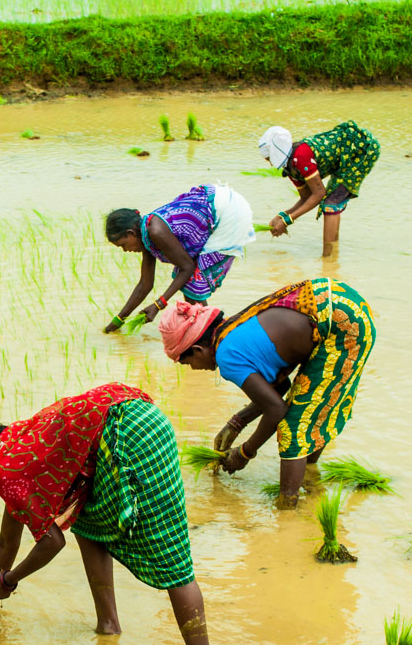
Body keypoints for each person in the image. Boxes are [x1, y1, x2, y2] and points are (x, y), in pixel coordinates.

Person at [0, 382, 217, 645]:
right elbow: (8, 539)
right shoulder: (12, 447)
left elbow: (52, 542)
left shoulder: (8, 474)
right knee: (86, 522)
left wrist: (8, 580)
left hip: (133, 433)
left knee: (173, 560)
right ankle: (108, 624)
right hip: (129, 416)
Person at [158, 278, 376, 505]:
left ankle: (287, 511)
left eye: (187, 363)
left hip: (343, 326)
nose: (194, 369)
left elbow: (276, 409)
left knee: (295, 428)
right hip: (339, 301)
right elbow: (279, 389)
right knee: (308, 411)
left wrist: (244, 453)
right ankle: (310, 478)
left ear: (197, 349)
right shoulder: (229, 332)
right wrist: (235, 423)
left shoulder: (226, 357)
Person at [103, 185, 255, 333]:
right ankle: (206, 331)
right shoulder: (146, 235)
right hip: (220, 204)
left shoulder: (155, 231)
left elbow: (187, 267)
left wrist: (158, 304)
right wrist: (118, 321)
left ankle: (211, 332)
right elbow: (145, 284)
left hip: (229, 213)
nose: (125, 250)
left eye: (123, 245)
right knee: (190, 286)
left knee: (192, 281)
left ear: (131, 233)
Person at [259, 122, 380, 256]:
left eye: (269, 159)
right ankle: (331, 255)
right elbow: (306, 198)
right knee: (331, 202)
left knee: (331, 204)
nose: (270, 163)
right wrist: (282, 216)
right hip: (344, 156)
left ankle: (328, 260)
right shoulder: (290, 168)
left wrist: (288, 220)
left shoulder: (301, 156)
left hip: (361, 149)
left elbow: (319, 193)